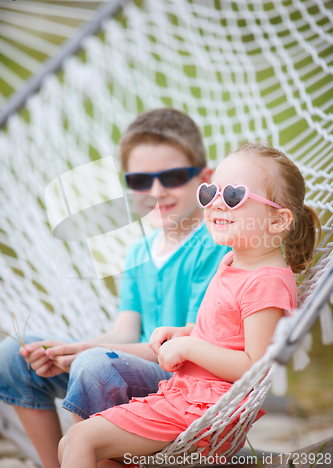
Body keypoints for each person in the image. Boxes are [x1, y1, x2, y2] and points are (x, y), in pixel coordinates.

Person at [58, 143, 321, 468]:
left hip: (208, 409)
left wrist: (187, 347)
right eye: (210, 193)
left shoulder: (266, 282)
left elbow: (255, 366)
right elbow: (224, 333)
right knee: (78, 445)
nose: (216, 205)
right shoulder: (233, 263)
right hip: (185, 395)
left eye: (235, 196)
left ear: (278, 221)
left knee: (82, 440)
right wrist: (183, 332)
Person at [0, 108, 230, 468]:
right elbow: (124, 330)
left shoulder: (215, 245)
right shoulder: (140, 249)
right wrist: (73, 349)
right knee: (14, 355)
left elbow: (190, 348)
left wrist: (89, 353)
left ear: (204, 178)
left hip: (185, 386)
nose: (156, 191)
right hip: (135, 371)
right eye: (140, 180)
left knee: (94, 364)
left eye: (171, 176)